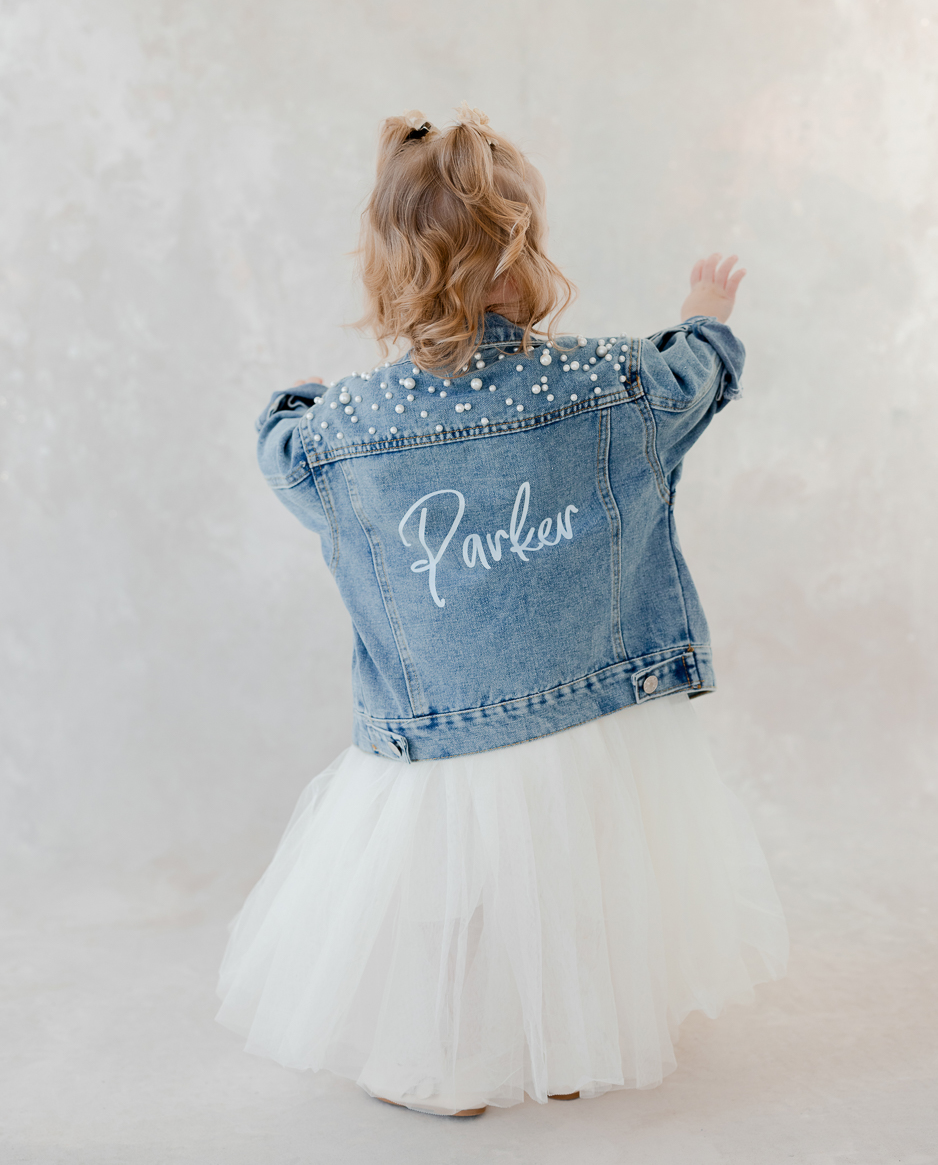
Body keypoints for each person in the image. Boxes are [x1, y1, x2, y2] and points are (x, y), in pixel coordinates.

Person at [216, 104, 789, 1118]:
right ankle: (567, 1045)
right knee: (577, 886)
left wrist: (295, 402)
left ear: (392, 267)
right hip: (588, 720)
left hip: (442, 742)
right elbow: (690, 380)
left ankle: (443, 1065)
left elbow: (284, 459)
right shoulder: (607, 381)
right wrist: (705, 309)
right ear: (525, 255)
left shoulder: (348, 428)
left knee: (448, 909)